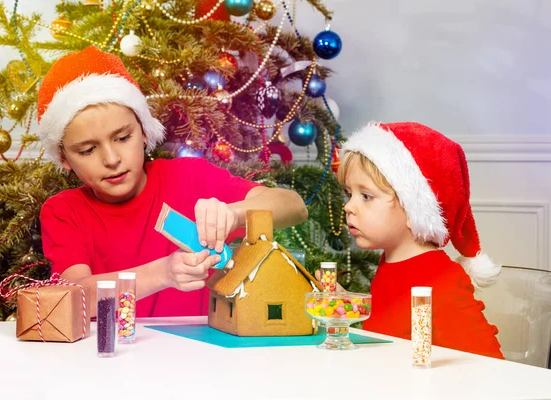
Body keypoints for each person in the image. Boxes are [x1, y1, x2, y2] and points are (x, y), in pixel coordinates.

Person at [37, 46, 308, 317]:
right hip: (110, 356)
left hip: (200, 355)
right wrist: (163, 273)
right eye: (87, 150)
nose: (111, 159)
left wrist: (233, 214)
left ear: (143, 131)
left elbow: (294, 207)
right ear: (64, 158)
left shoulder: (190, 178)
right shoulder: (63, 212)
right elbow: (74, 298)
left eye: (122, 138)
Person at [338, 121, 504, 359]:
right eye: (349, 193)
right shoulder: (392, 261)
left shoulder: (439, 279)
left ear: (413, 208)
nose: (348, 206)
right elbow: (395, 332)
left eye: (366, 196)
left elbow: (491, 365)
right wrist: (347, 305)